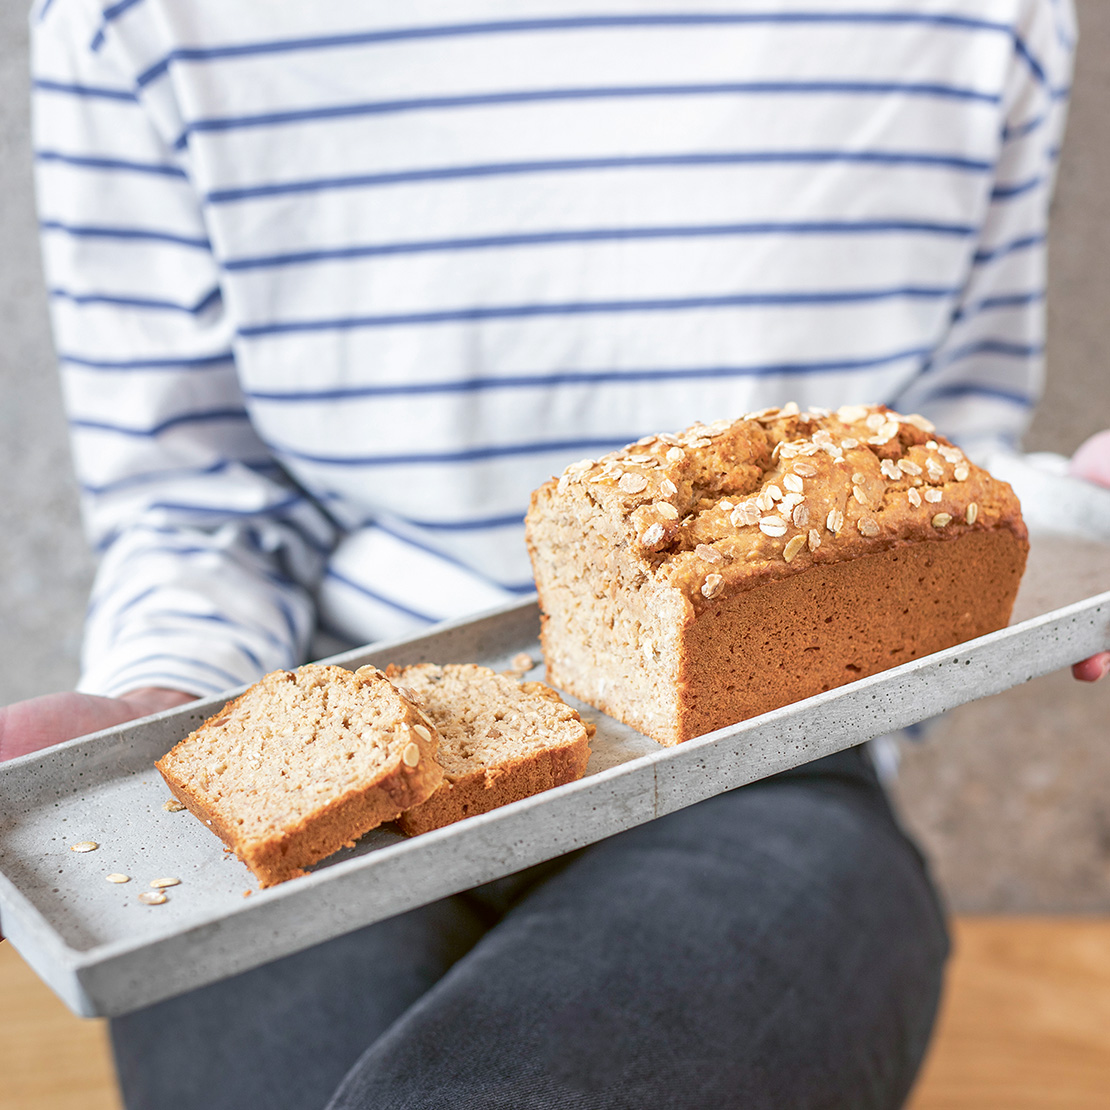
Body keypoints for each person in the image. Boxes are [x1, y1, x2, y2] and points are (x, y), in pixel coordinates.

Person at [2, 1, 1107, 1107]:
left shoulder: (986, 17)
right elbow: (204, 504)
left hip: (779, 767)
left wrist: (1081, 506)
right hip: (341, 765)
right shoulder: (134, 19)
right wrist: (160, 699)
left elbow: (957, 491)